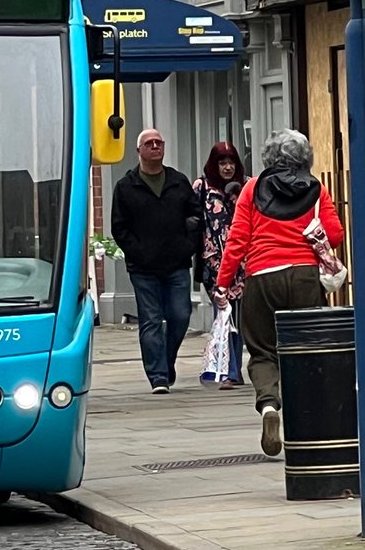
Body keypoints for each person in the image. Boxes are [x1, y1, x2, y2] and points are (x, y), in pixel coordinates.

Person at [214, 128, 343, 457]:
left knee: (263, 351)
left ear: (269, 157)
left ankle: (270, 407)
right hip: (305, 277)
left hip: (262, 277)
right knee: (306, 349)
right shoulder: (316, 189)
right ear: (306, 157)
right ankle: (308, 421)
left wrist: (223, 283)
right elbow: (335, 234)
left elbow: (238, 240)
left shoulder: (252, 189)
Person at [111, 128, 202, 394]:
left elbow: (196, 216)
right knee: (150, 319)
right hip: (143, 267)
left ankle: (166, 359)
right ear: (138, 151)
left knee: (181, 315)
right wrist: (137, 252)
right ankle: (158, 376)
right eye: (149, 143)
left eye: (159, 143)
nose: (155, 147)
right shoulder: (126, 187)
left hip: (176, 263)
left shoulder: (177, 181)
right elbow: (119, 228)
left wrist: (188, 246)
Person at [193, 142, 247, 389]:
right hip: (214, 262)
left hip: (243, 261)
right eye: (222, 163)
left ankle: (234, 370)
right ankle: (227, 371)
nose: (227, 167)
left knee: (239, 317)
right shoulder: (201, 187)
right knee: (223, 313)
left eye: (231, 162)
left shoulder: (246, 186)